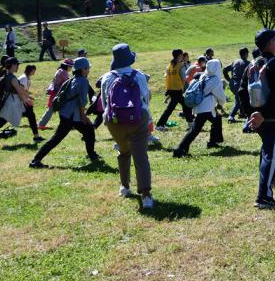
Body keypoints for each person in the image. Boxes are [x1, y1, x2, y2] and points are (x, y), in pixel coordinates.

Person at [100, 43, 155, 209]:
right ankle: (146, 196)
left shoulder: (107, 77)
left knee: (124, 152)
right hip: (138, 118)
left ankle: (124, 187)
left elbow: (104, 103)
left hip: (115, 121)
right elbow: (145, 98)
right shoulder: (139, 76)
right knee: (141, 157)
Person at [244, 28, 275, 209]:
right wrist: (262, 114)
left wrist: (251, 113)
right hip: (273, 117)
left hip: (258, 119)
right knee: (270, 156)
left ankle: (267, 188)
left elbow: (241, 91)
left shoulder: (252, 64)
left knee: (266, 152)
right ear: (269, 43)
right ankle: (263, 197)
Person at [29, 57, 100, 168]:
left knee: (89, 130)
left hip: (66, 114)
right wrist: (83, 116)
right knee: (57, 138)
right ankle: (35, 161)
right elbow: (82, 101)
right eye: (87, 68)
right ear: (82, 69)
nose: (88, 70)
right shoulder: (83, 81)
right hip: (73, 116)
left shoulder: (72, 79)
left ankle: (92, 154)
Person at [173, 59, 227, 157]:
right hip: (206, 108)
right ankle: (179, 149)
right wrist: (222, 102)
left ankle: (213, 142)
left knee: (217, 120)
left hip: (203, 106)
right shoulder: (215, 80)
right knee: (195, 129)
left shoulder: (204, 75)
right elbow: (220, 95)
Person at [0, 59, 39, 145]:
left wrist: (27, 98)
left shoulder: (7, 75)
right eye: (16, 65)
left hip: (11, 103)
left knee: (29, 113)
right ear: (12, 65)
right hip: (12, 104)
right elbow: (19, 90)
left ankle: (36, 136)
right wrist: (26, 100)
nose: (18, 66)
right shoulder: (11, 77)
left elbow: (19, 91)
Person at [155, 49, 193, 131]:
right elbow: (184, 78)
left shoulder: (169, 65)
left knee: (176, 107)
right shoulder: (181, 65)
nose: (182, 56)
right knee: (183, 106)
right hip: (177, 89)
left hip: (170, 89)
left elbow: (165, 76)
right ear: (179, 55)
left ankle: (191, 124)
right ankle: (191, 124)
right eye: (182, 55)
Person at [38, 59, 74, 130]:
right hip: (59, 94)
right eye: (70, 66)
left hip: (56, 93)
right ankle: (41, 124)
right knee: (62, 109)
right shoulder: (64, 72)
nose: (71, 68)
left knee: (52, 110)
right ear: (66, 66)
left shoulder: (60, 70)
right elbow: (67, 83)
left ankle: (41, 124)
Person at [223, 47, 250, 123]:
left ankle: (242, 113)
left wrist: (228, 79)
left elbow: (225, 69)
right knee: (239, 101)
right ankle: (231, 117)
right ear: (246, 54)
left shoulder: (234, 61)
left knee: (239, 98)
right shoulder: (248, 63)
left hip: (232, 83)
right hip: (239, 84)